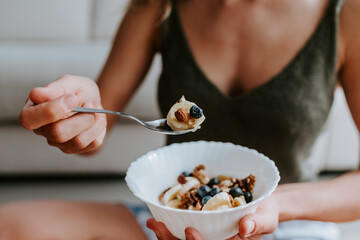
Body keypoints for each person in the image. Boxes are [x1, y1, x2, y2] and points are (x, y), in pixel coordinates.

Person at [4, 0, 359, 239]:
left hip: (289, 224)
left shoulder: (346, 14)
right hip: (173, 224)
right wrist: (79, 114)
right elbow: (96, 130)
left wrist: (277, 204)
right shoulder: (159, 5)